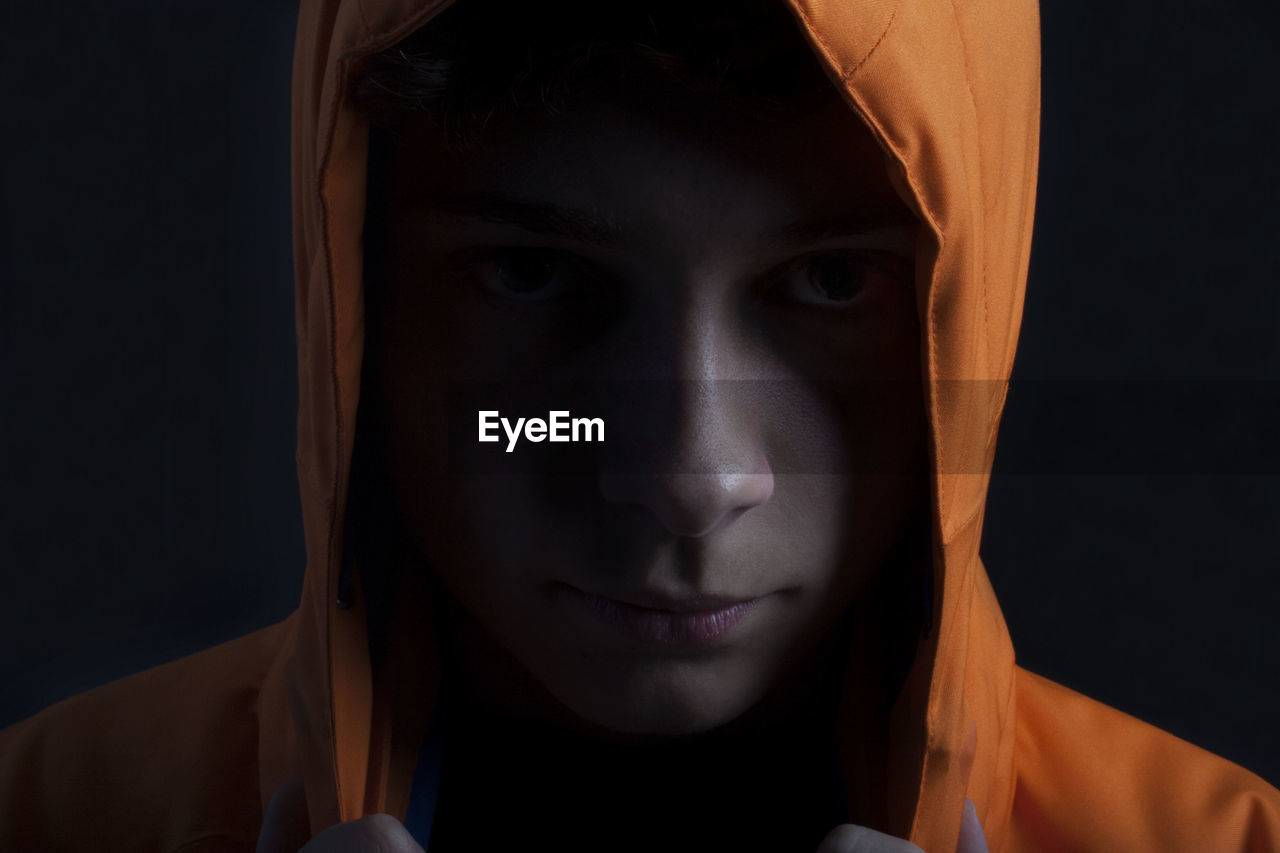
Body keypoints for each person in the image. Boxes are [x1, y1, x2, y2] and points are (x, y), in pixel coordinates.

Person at [1, 1, 1277, 851]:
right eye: (531, 274)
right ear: (354, 295)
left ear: (966, 303)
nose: (686, 479)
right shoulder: (53, 818)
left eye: (832, 283)